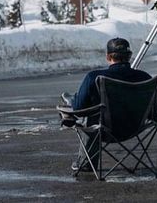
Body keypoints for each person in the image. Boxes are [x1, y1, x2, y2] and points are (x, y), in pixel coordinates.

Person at [61, 37, 151, 171]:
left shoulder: (94, 77)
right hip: (135, 128)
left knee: (90, 115)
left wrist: (72, 103)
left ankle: (86, 164)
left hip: (105, 130)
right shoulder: (145, 78)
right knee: (94, 113)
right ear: (129, 56)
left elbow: (79, 107)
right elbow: (153, 110)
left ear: (108, 57)